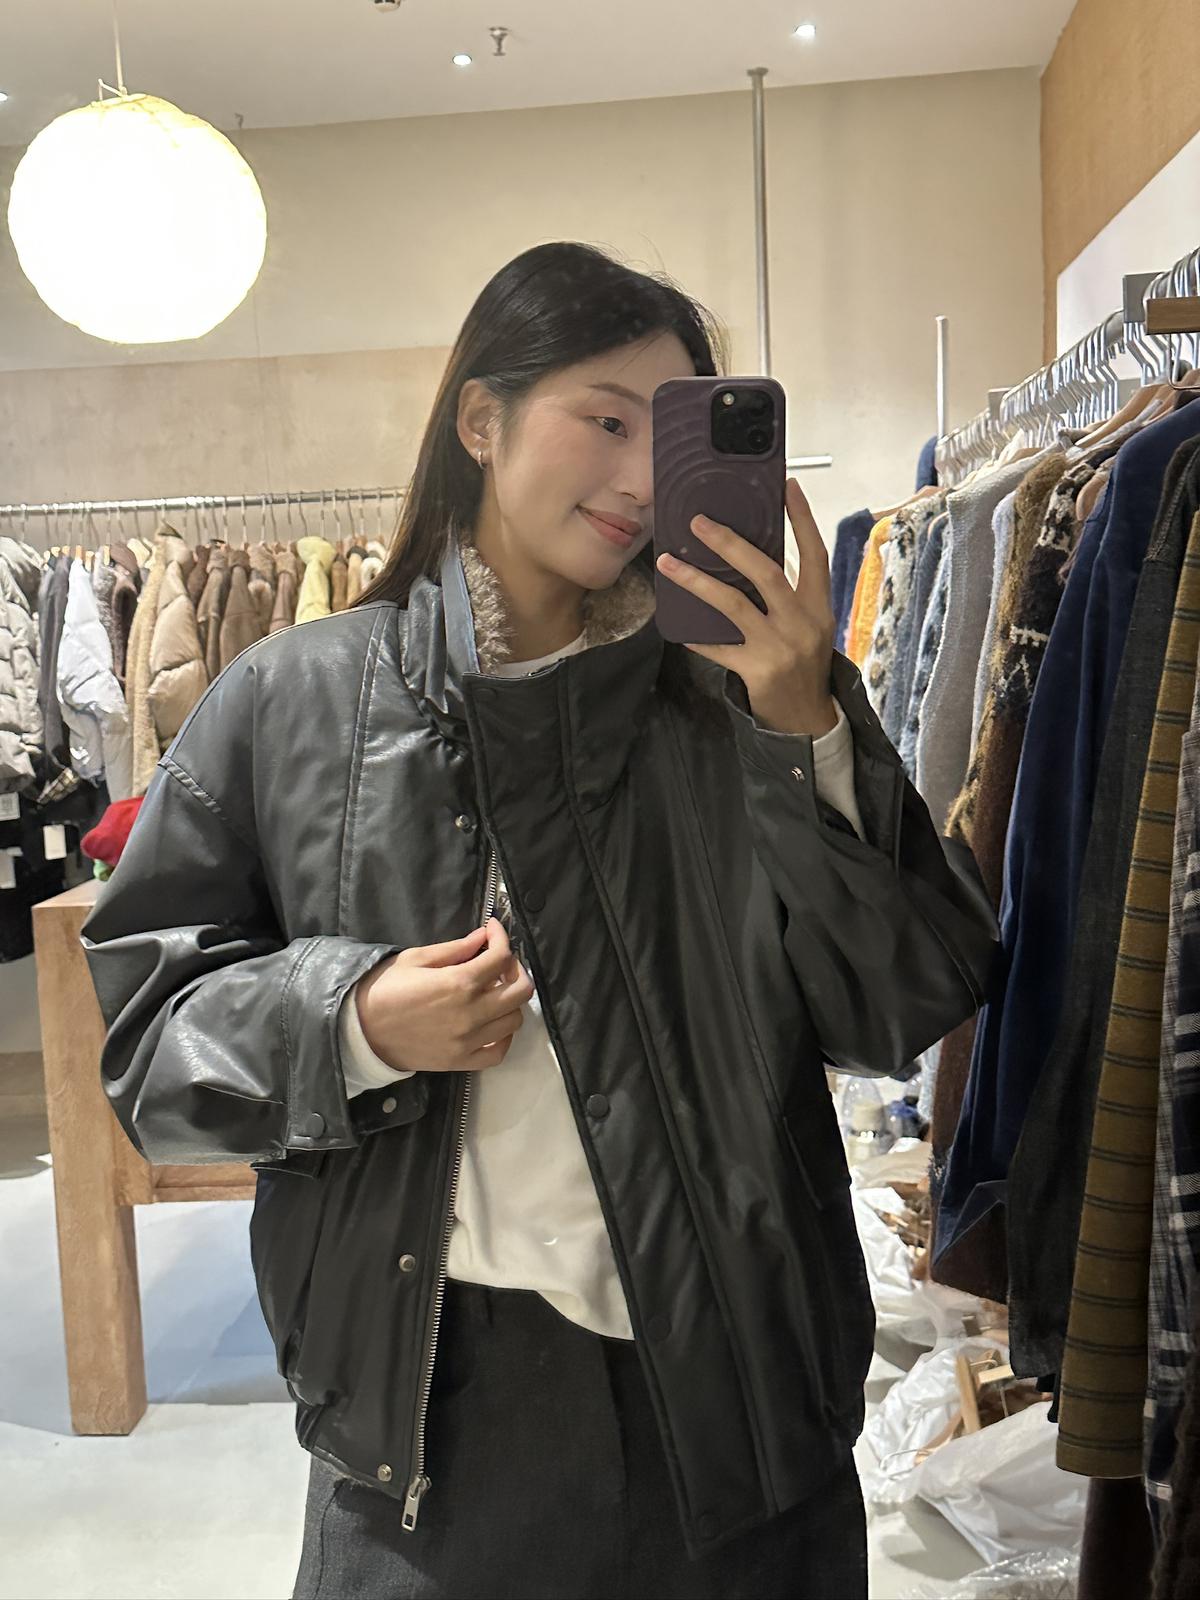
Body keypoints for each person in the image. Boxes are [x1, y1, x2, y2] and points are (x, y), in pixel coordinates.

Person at [80, 241, 999, 1600]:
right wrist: (355, 1020)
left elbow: (894, 1009)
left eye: (668, 436)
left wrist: (804, 718)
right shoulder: (290, 700)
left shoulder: (741, 695)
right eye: (605, 420)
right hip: (423, 1419)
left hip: (736, 1397)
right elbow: (151, 1046)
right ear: (481, 419)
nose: (639, 480)